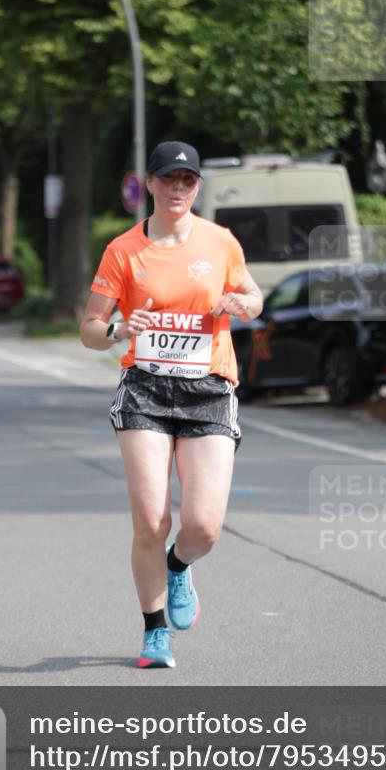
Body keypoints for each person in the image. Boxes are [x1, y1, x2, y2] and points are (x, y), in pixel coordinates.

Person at [80, 141, 263, 668]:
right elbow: (90, 330)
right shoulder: (123, 250)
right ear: (152, 185)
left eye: (187, 180)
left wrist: (241, 303)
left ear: (197, 186)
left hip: (208, 389)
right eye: (168, 179)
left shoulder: (220, 242)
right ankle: (154, 631)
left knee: (203, 525)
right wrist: (117, 328)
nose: (178, 188)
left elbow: (252, 296)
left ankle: (179, 566)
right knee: (150, 520)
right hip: (145, 389)